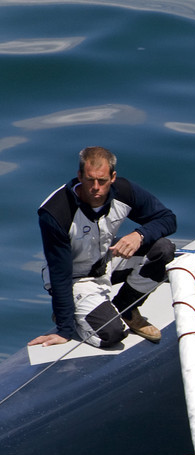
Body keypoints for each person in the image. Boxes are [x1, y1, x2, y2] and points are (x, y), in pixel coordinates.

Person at [30, 146, 176, 349]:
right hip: (73, 277)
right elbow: (59, 273)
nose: (96, 187)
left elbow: (168, 219)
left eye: (102, 181)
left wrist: (139, 235)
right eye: (90, 180)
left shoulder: (124, 191)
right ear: (79, 175)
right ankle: (76, 316)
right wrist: (64, 329)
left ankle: (127, 307)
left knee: (163, 250)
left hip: (104, 261)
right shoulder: (56, 213)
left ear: (113, 177)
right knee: (113, 333)